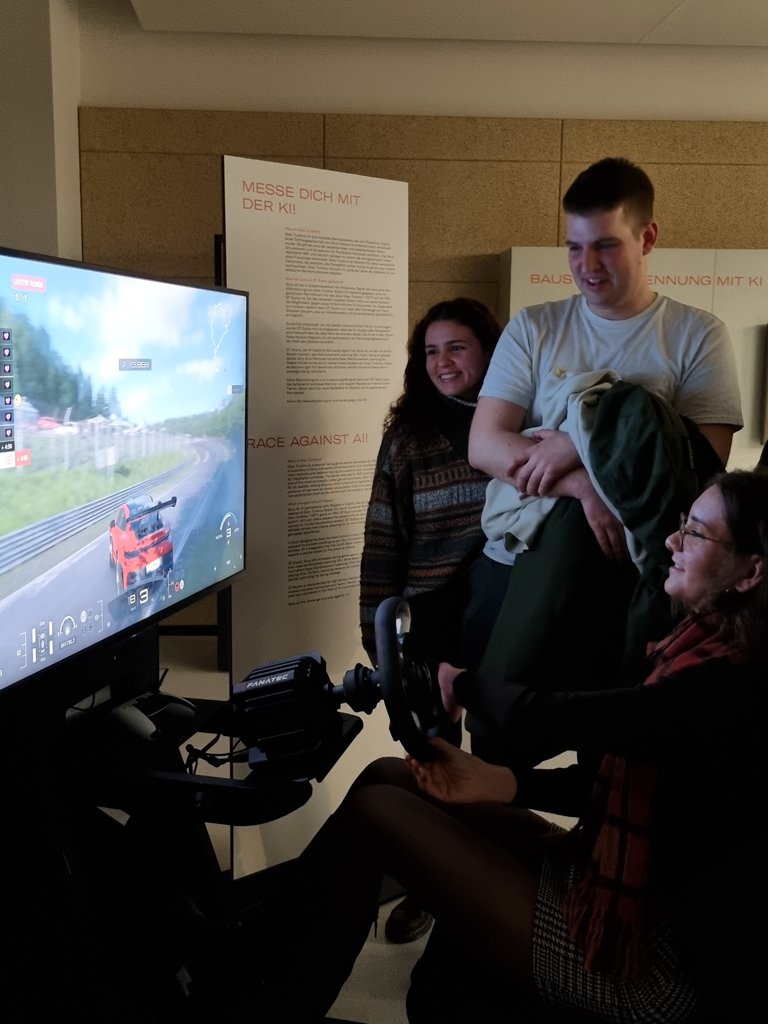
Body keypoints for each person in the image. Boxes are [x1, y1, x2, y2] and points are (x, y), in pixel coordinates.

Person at [247, 468, 767, 1024]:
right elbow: (612, 783)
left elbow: (584, 719)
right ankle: (265, 970)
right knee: (387, 776)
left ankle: (273, 1004)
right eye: (683, 524)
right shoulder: (698, 646)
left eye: (696, 533)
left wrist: (465, 686)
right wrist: (505, 783)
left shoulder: (732, 684)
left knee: (377, 814)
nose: (671, 541)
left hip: (649, 957)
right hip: (608, 882)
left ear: (751, 572)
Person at [461, 156, 743, 755]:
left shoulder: (696, 335)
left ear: (648, 237)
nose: (587, 266)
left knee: (610, 752)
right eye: (574, 247)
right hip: (517, 565)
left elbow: (702, 464)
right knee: (497, 736)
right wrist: (584, 486)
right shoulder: (534, 327)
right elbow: (485, 444)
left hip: (628, 575)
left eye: (606, 246)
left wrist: (573, 443)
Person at [359, 296, 501, 944]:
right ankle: (429, 885)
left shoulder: (516, 423)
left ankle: (492, 886)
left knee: (496, 755)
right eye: (431, 351)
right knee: (434, 755)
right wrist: (378, 636)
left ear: (488, 352)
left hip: (498, 611)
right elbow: (382, 536)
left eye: (457, 348)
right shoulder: (408, 436)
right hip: (429, 617)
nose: (442, 362)